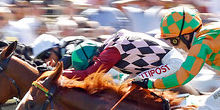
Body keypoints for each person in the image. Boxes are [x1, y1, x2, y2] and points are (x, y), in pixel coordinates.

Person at [32, 29, 185, 82]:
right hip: (167, 60)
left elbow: (87, 74)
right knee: (124, 84)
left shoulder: (111, 51)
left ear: (93, 59)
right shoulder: (106, 46)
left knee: (135, 83)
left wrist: (54, 73)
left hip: (173, 63)